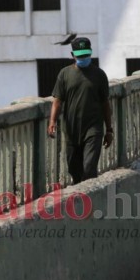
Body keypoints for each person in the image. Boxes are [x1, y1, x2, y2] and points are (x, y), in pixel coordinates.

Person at [47, 37, 113, 184]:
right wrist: (52, 121)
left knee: (89, 168)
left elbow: (105, 104)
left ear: (90, 53)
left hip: (93, 129)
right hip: (71, 130)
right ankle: (79, 199)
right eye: (80, 55)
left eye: (85, 55)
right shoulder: (64, 74)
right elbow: (57, 100)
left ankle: (89, 197)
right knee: (74, 171)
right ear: (73, 55)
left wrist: (109, 130)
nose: (83, 58)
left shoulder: (99, 75)